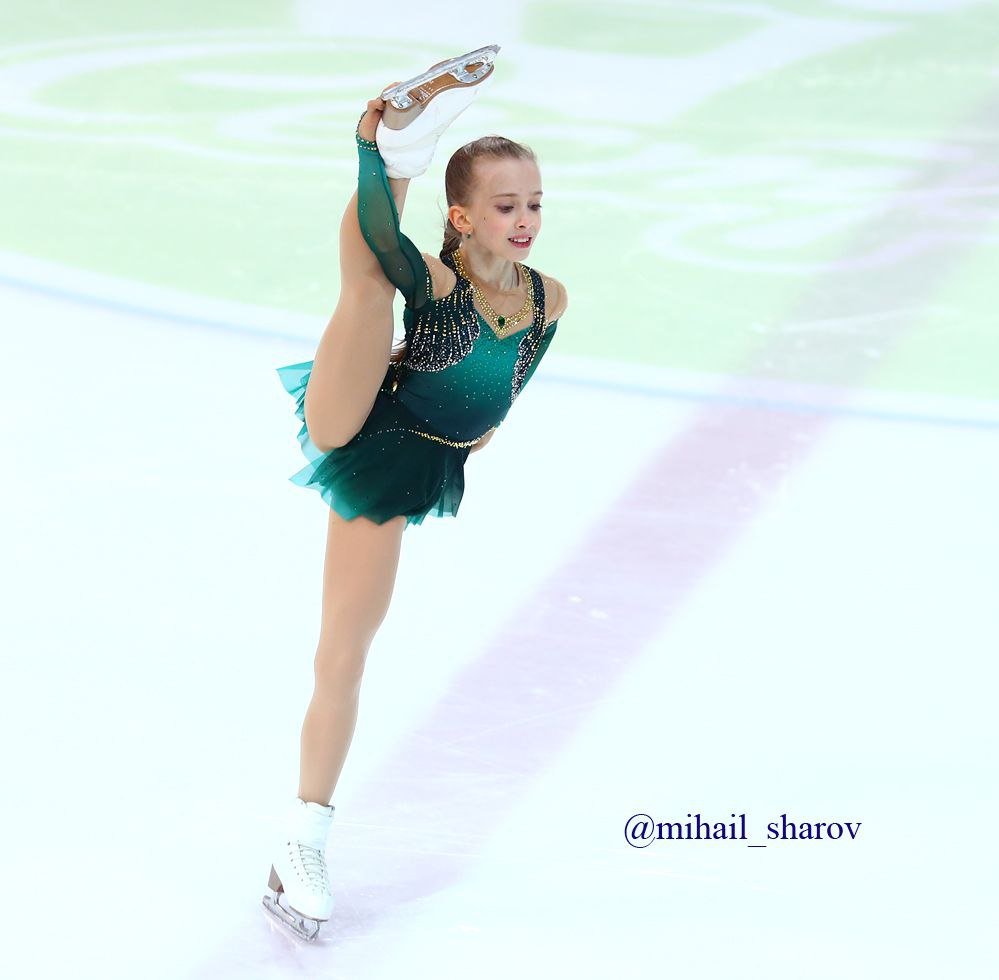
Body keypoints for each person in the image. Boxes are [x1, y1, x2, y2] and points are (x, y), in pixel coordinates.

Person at [262, 46, 568, 941]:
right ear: (463, 217)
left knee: (351, 647)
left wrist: (472, 432)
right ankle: (301, 840)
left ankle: (402, 139)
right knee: (344, 653)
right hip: (367, 439)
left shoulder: (549, 299)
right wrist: (371, 160)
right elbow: (381, 242)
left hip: (436, 452)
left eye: (534, 202)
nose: (525, 219)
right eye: (505, 206)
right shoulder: (439, 283)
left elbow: (501, 394)